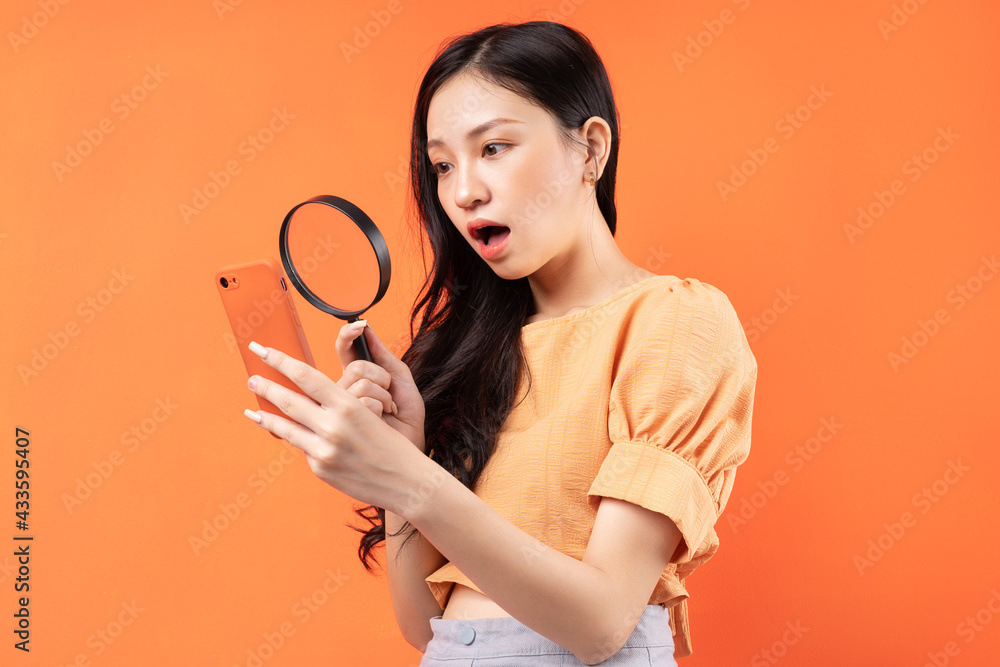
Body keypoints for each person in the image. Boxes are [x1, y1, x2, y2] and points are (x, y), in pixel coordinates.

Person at [243, 20, 757, 665]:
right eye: (442, 165)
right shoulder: (474, 352)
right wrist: (407, 456)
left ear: (590, 149)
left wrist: (409, 480)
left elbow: (600, 624)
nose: (463, 192)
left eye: (494, 148)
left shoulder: (675, 322)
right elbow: (424, 622)